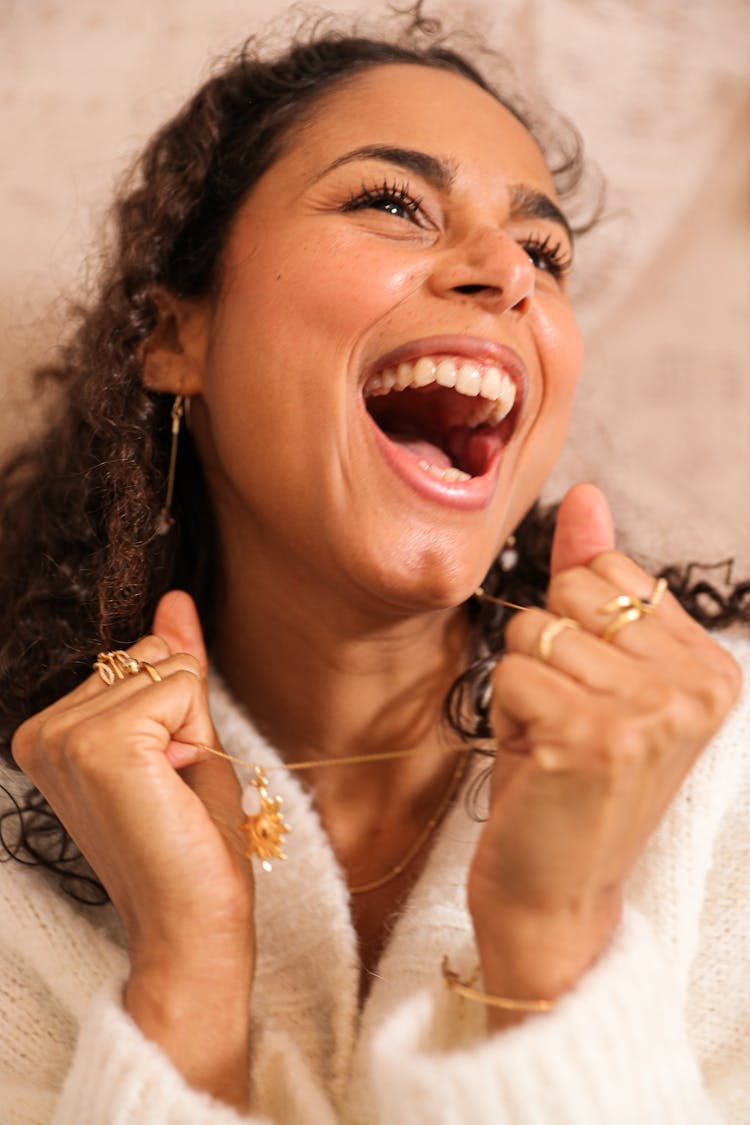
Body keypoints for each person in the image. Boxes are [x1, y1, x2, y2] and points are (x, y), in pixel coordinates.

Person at [0, 7, 748, 1123]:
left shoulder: (730, 776)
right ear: (172, 337)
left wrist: (556, 947)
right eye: (392, 203)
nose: (509, 273)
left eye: (546, 254)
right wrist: (186, 986)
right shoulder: (20, 853)